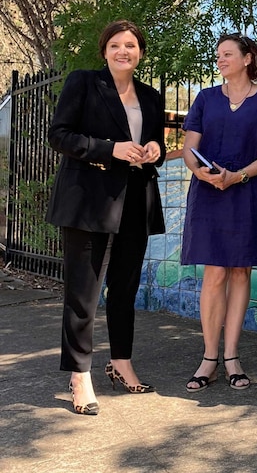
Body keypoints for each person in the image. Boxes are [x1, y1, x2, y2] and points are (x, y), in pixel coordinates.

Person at [46, 20, 166, 415]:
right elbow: (59, 135)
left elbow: (158, 143)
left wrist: (153, 149)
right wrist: (109, 149)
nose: (123, 51)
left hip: (136, 198)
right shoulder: (83, 83)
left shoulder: (149, 96)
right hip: (88, 199)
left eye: (131, 45)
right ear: (104, 51)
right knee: (83, 293)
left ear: (140, 53)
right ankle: (80, 375)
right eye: (115, 44)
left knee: (126, 287)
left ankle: (121, 362)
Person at [181, 33, 257, 392]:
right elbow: (189, 147)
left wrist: (238, 176)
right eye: (218, 55)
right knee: (215, 273)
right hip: (209, 193)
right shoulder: (205, 98)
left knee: (240, 271)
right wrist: (202, 173)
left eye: (227, 54)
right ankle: (209, 358)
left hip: (250, 191)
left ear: (248, 58)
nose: (220, 60)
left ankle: (233, 357)